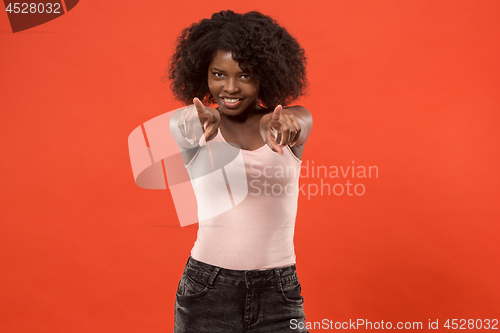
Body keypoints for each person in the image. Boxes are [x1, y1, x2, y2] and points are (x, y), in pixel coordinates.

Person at [166, 10, 313, 333]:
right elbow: (180, 122)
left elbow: (301, 119)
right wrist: (193, 120)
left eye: (244, 76)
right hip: (206, 288)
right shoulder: (195, 128)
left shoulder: (286, 123)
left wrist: (289, 124)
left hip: (279, 291)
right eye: (219, 74)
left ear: (265, 75)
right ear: (202, 73)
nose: (229, 88)